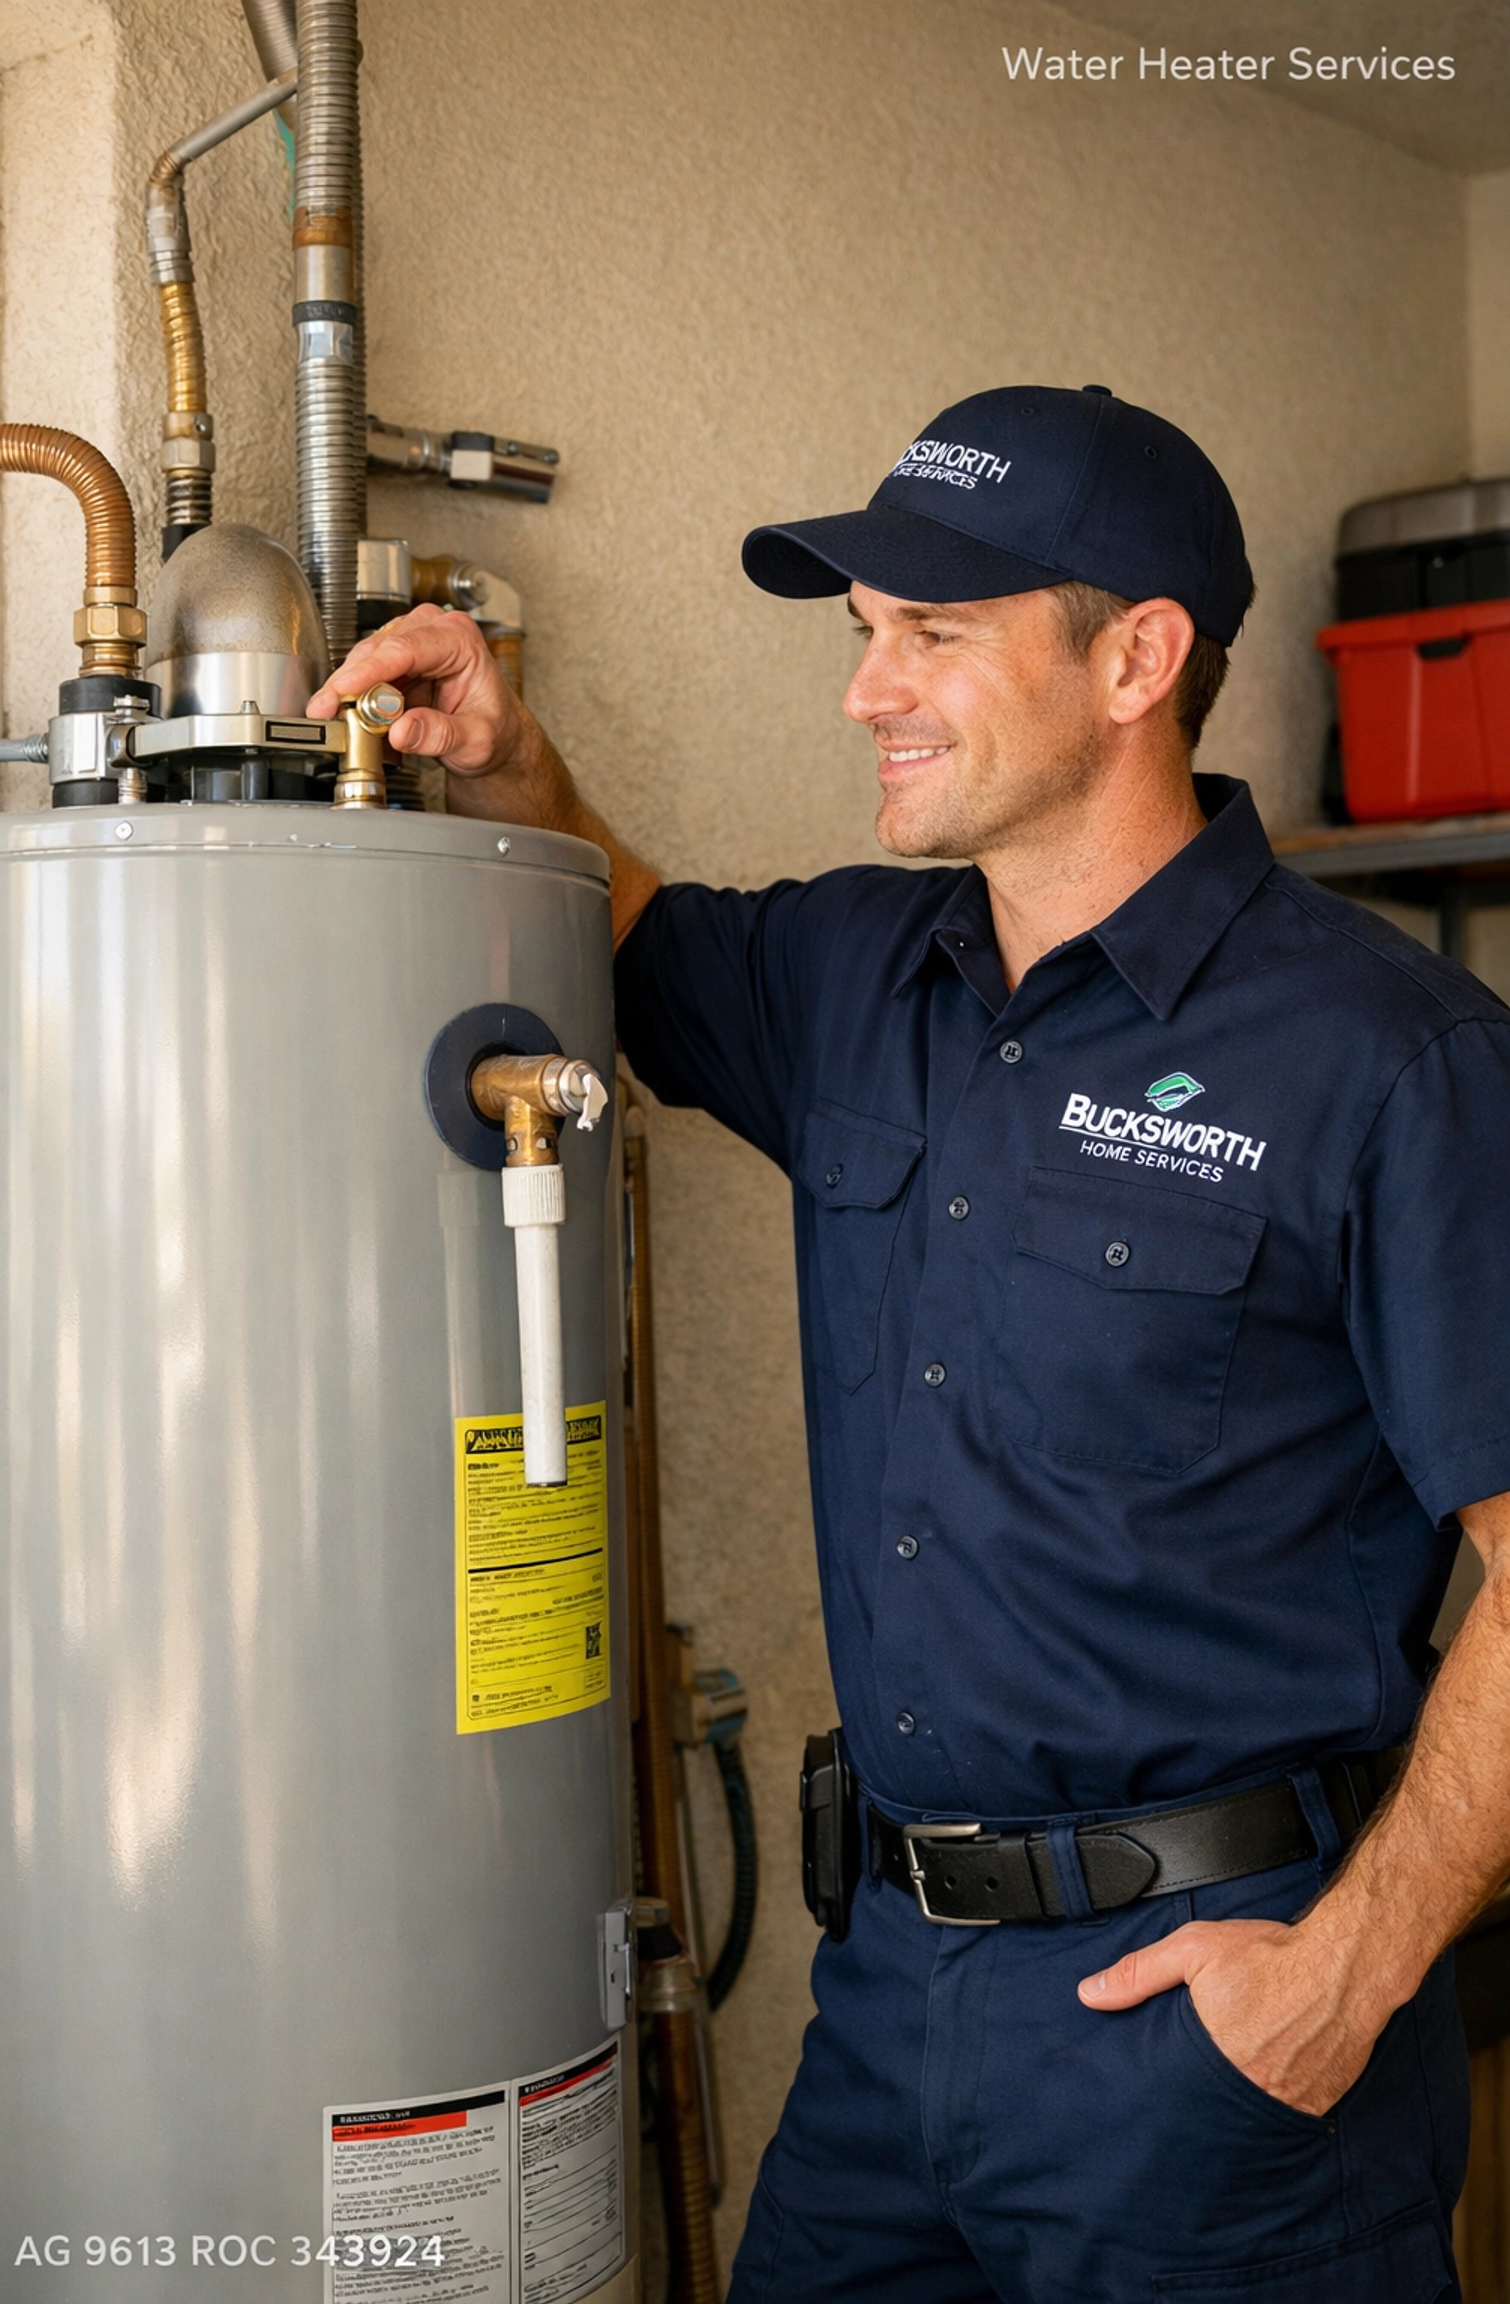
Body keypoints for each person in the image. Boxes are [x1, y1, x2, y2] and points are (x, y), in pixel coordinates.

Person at [310, 384, 1510, 2302]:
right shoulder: (861, 976)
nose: (869, 691)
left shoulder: (1393, 1059)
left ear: (1138, 658)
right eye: (867, 635)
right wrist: (510, 760)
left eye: (934, 635)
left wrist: (1341, 1980)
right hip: (884, 2014)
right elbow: (628, 933)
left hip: (1209, 2025)